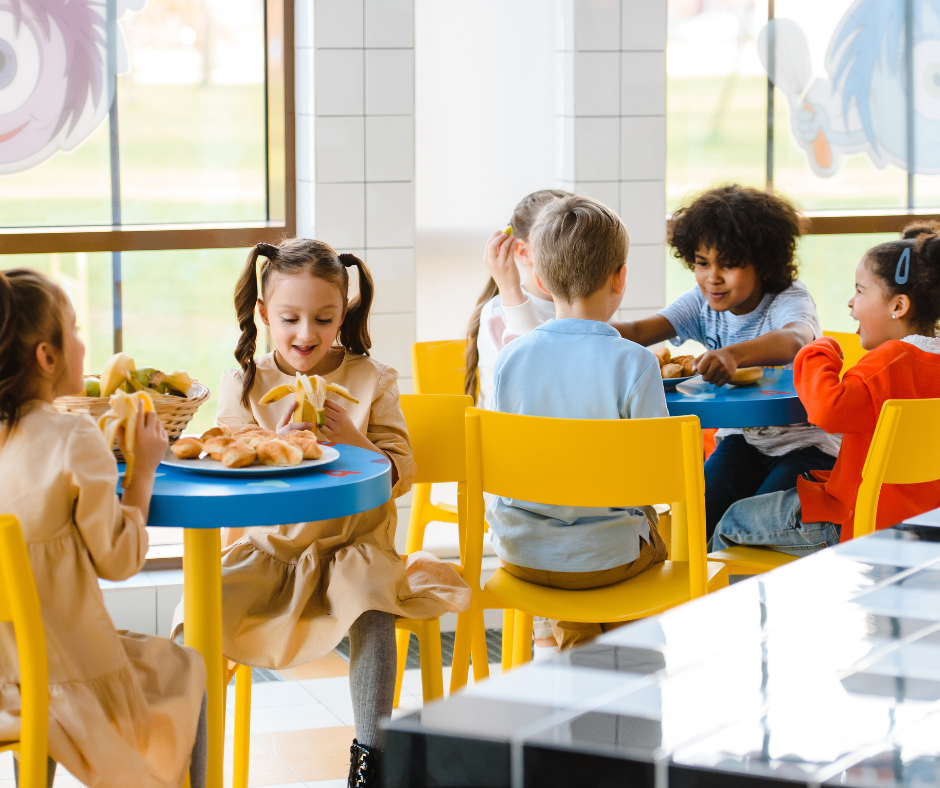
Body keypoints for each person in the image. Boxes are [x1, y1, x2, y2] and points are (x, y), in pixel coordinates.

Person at [189, 240, 469, 788]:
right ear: (265, 315)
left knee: (371, 604)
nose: (306, 335)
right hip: (273, 555)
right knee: (195, 612)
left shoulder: (373, 379)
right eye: (290, 319)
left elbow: (401, 472)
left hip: (353, 552)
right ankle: (189, 763)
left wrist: (356, 439)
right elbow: (228, 465)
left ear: (344, 313)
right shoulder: (243, 384)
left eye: (323, 318)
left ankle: (373, 760)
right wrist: (271, 442)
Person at [0, 269, 208, 788]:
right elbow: (118, 561)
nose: (82, 341)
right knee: (186, 669)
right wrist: (143, 471)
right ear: (47, 357)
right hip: (60, 679)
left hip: (7, 677)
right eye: (72, 328)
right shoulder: (75, 435)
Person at [486, 195, 668, 653]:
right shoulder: (636, 363)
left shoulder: (512, 359)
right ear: (620, 277)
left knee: (578, 539)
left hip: (522, 553)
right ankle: (618, 669)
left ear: (541, 280)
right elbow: (658, 482)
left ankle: (573, 651)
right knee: (639, 534)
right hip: (607, 560)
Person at [613, 185, 838, 539]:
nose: (712, 277)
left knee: (753, 525)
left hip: (807, 447)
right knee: (696, 518)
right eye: (702, 263)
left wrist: (734, 353)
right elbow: (640, 329)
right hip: (742, 441)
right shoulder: (701, 303)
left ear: (763, 264)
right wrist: (580, 329)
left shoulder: (788, 299)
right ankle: (700, 591)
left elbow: (796, 339)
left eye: (728, 264)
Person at [711, 223, 940, 554]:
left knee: (733, 520)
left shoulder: (889, 362)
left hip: (857, 519)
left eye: (860, 291)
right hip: (920, 521)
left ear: (899, 306)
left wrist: (819, 350)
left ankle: (712, 605)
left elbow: (828, 410)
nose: (850, 302)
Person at [465, 189, 572, 405]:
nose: (574, 249)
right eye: (557, 238)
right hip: (508, 433)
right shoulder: (498, 312)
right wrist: (510, 289)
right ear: (524, 252)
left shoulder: (592, 303)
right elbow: (538, 377)